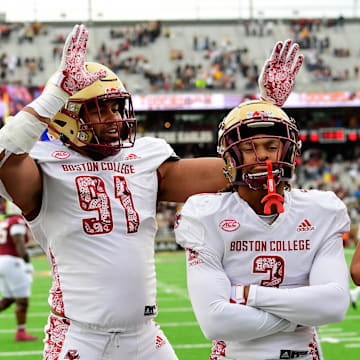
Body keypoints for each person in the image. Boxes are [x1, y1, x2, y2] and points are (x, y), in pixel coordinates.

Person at [0, 23, 301, 359]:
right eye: (101, 109)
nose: (115, 118)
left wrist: (266, 111)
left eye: (116, 107)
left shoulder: (145, 158)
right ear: (66, 114)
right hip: (79, 335)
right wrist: (57, 92)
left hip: (144, 337)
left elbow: (241, 171)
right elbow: (4, 156)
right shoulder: (44, 164)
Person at [175, 99, 350, 359]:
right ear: (231, 156)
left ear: (289, 151)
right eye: (249, 148)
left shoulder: (320, 210)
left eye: (271, 146)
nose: (263, 156)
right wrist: (300, 313)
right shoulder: (206, 215)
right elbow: (215, 322)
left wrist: (248, 295)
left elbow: (334, 305)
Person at [0, 201, 39, 341]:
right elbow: (18, 242)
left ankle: (21, 332)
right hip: (13, 261)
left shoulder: (5, 221)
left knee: (8, 298)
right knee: (22, 299)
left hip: (2, 260)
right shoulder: (16, 220)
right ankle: (21, 333)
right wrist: (27, 261)